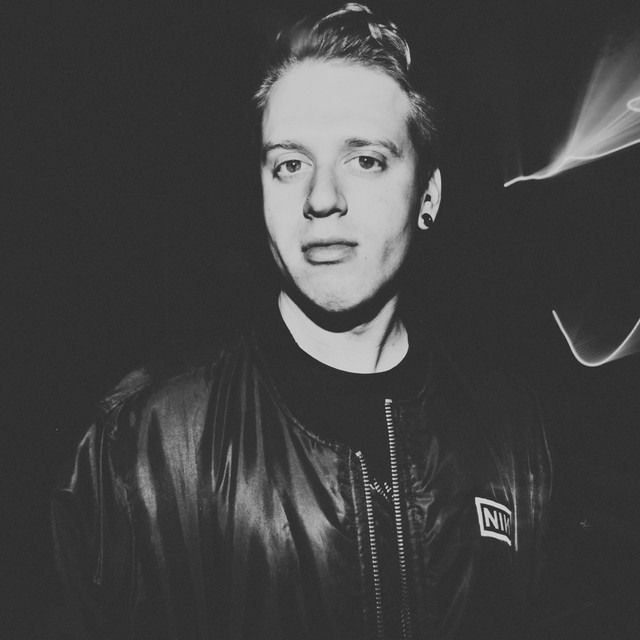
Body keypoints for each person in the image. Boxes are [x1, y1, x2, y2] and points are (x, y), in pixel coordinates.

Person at [51, 4, 551, 639]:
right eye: (290, 164)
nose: (321, 197)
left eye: (365, 159)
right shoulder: (143, 441)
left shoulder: (510, 431)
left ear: (428, 194)